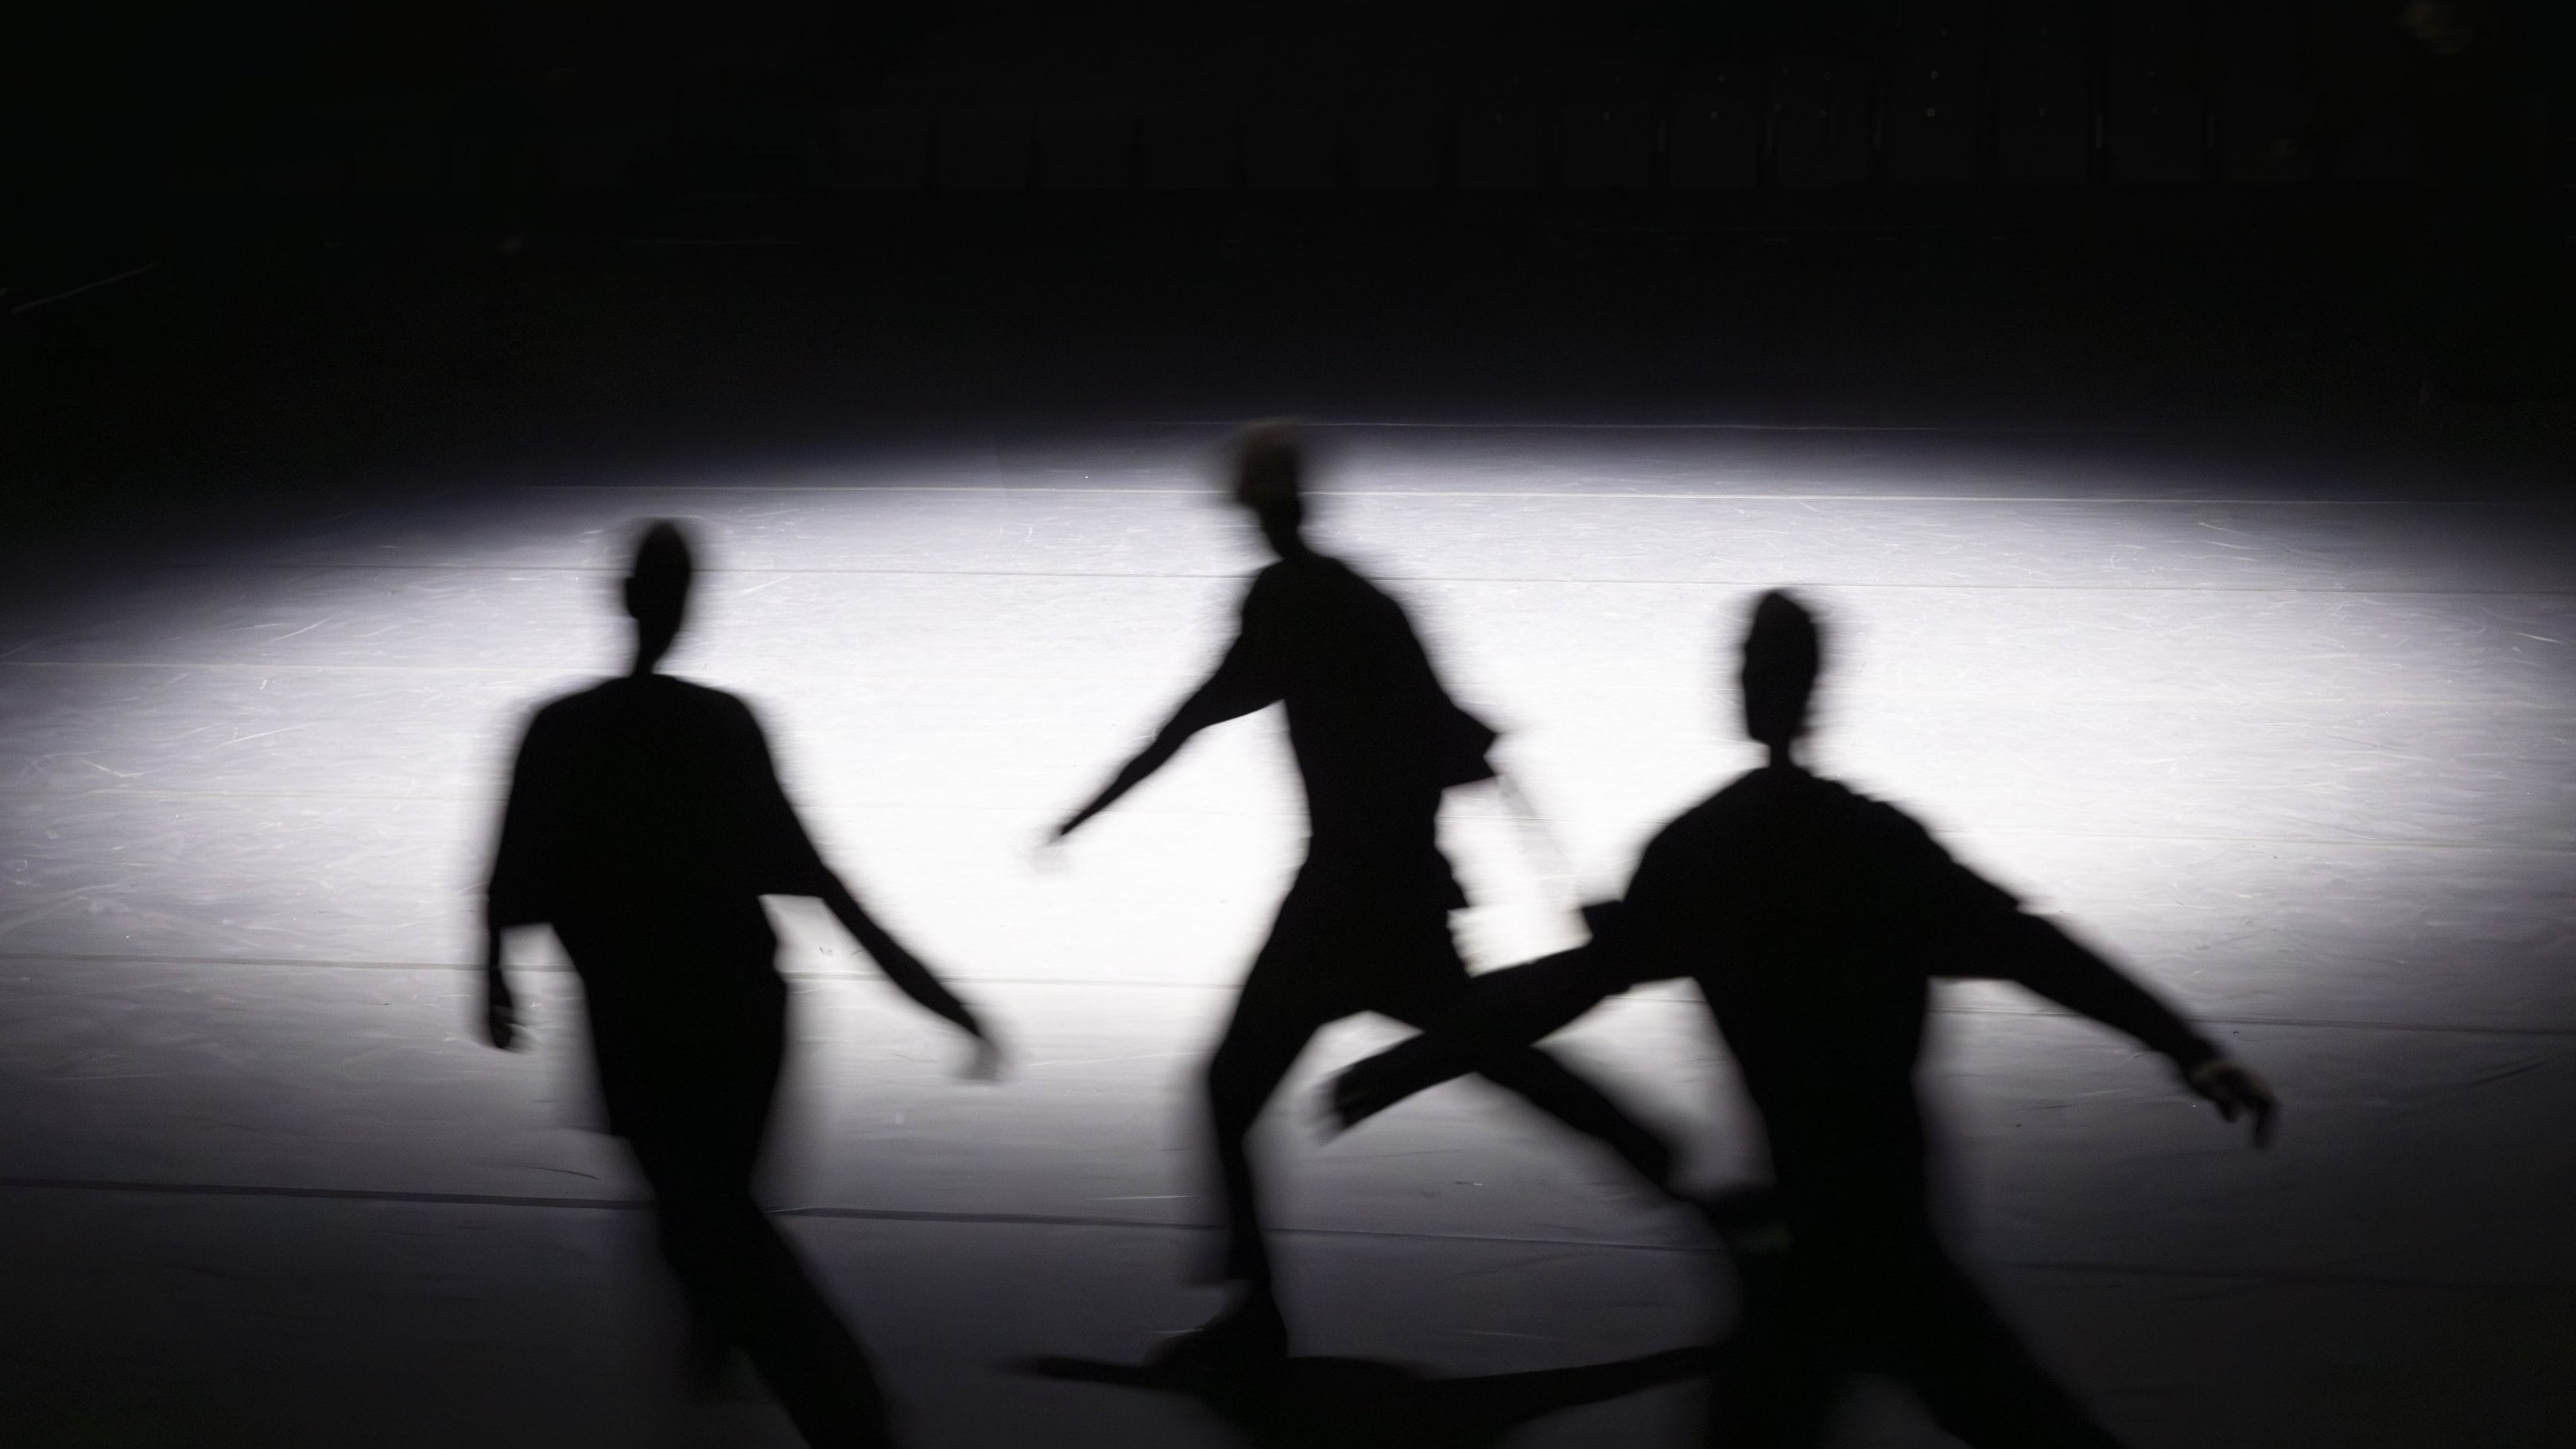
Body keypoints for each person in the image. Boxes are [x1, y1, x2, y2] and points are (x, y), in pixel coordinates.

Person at [1328, 589, 2278, 1447]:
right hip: (1886, 1207)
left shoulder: (1699, 854)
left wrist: (1423, 1055)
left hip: (1811, 1228)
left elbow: (1571, 983)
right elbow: (2034, 948)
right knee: (2004, 1412)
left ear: (1747, 692)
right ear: (1820, 691)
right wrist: (2185, 1046)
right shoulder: (1875, 845)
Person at [1049, 422, 1690, 1361]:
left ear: (1260, 515)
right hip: (1403, 889)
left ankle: (1255, 1309)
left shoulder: (1285, 601)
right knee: (1487, 1049)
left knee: (1231, 1088)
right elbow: (1458, 740)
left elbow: (1198, 712)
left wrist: (1087, 809)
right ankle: (1670, 1170)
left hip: (1338, 899)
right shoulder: (1374, 603)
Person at [481, 519, 998, 1447]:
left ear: (621, 596)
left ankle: (846, 1411)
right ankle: (760, 1364)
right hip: (743, 1013)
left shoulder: (559, 729)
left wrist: (495, 976)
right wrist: (927, 989)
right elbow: (818, 878)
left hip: (637, 1015)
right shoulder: (722, 725)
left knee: (705, 1221)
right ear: (689, 609)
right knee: (718, 1209)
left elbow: (510, 872)